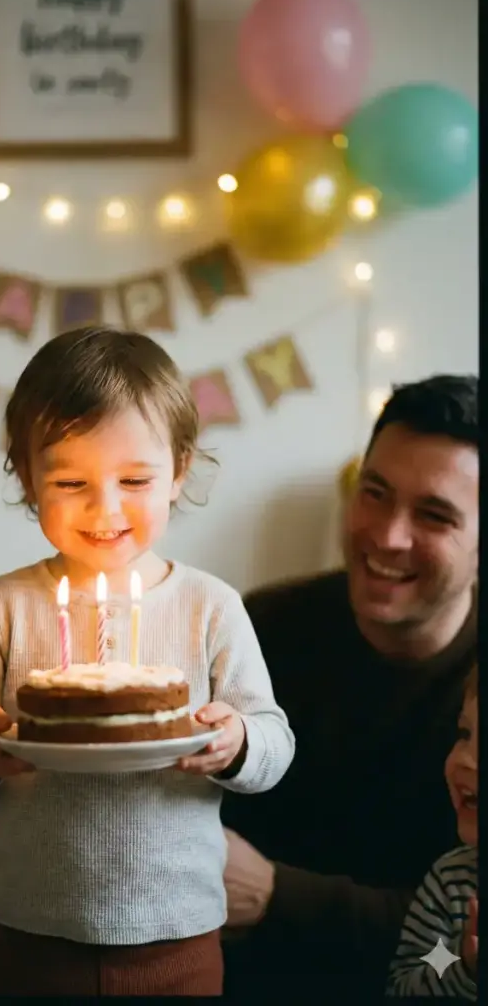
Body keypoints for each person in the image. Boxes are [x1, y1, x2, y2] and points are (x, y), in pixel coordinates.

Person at [0, 326, 296, 996]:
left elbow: (273, 741)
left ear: (179, 469)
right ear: (26, 475)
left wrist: (236, 741)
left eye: (134, 479)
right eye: (69, 480)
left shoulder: (208, 606)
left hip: (177, 933)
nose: (106, 508)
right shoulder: (4, 605)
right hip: (32, 929)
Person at [219, 374, 478, 1000]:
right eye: (375, 493)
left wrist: (282, 897)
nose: (388, 536)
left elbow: (458, 944)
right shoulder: (262, 626)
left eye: (435, 515)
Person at [387, 664, 477, 999]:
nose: (467, 760)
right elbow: (403, 989)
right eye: (465, 734)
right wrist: (465, 968)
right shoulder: (451, 882)